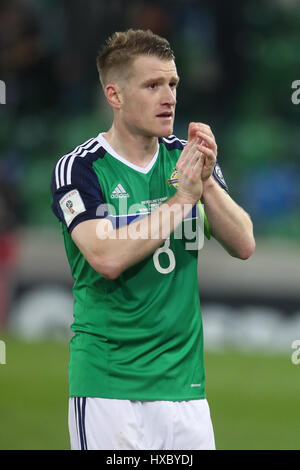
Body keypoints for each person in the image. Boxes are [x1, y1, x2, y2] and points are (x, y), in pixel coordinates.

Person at [51, 29, 255, 450]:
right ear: (115, 95)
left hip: (186, 389)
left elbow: (244, 243)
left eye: (173, 84)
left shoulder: (186, 157)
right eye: (152, 85)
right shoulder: (80, 169)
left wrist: (208, 186)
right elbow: (106, 257)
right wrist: (182, 199)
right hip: (109, 386)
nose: (169, 97)